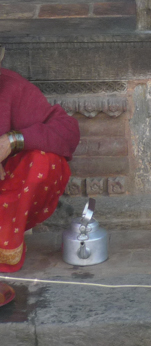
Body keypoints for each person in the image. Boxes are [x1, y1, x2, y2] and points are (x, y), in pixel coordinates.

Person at [0, 46, 80, 272]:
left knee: (45, 161)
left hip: (5, 197)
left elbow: (67, 131)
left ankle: (6, 241)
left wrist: (12, 140)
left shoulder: (11, 87)